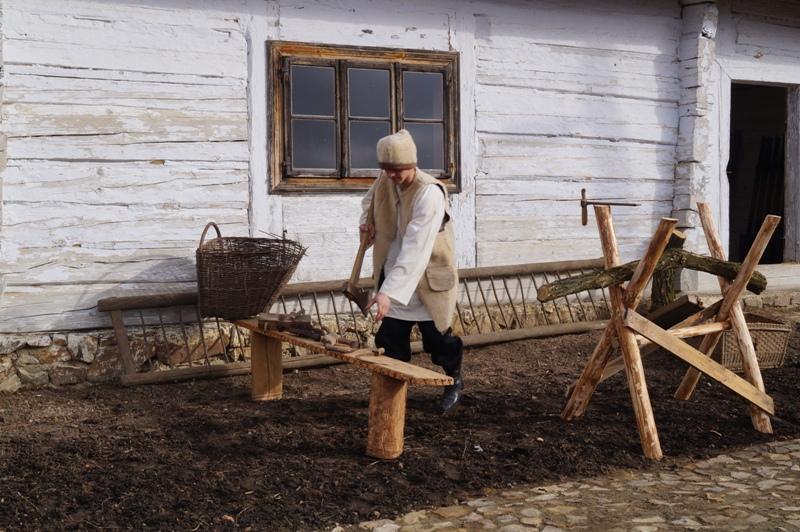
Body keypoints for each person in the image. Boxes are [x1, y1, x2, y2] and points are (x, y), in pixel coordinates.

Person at [359, 129, 464, 413]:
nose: (391, 175)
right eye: (386, 169)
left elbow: (416, 250)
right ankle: (393, 397)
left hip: (427, 277)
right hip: (394, 270)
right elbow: (369, 203)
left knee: (438, 340)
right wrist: (365, 226)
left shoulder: (429, 192)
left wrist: (387, 293)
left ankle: (453, 379)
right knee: (390, 342)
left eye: (398, 170)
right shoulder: (385, 180)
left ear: (412, 164)